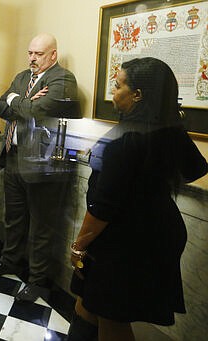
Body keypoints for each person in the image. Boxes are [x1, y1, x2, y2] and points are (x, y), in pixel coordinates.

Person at [67, 57, 208, 341]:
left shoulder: (126, 140)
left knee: (112, 318)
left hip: (126, 243)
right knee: (87, 305)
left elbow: (103, 208)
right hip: (154, 232)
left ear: (138, 95)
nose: (113, 91)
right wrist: (147, 187)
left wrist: (78, 246)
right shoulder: (168, 130)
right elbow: (194, 170)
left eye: (118, 85)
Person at [0, 33, 79, 302]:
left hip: (42, 166)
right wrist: (21, 102)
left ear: (53, 55)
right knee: (14, 218)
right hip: (13, 158)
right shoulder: (23, 77)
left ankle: (37, 281)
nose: (32, 58)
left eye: (38, 54)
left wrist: (17, 101)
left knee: (41, 227)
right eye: (30, 53)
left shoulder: (62, 79)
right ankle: (10, 261)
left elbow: (38, 112)